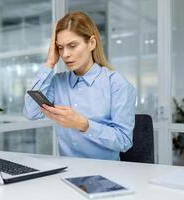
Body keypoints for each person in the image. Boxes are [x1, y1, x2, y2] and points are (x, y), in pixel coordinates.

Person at [23, 11, 136, 160]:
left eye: (72, 45)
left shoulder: (116, 83)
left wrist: (83, 124)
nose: (65, 54)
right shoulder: (58, 82)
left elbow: (124, 141)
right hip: (67, 171)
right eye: (60, 47)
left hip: (105, 173)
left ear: (91, 43)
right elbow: (31, 112)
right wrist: (50, 62)